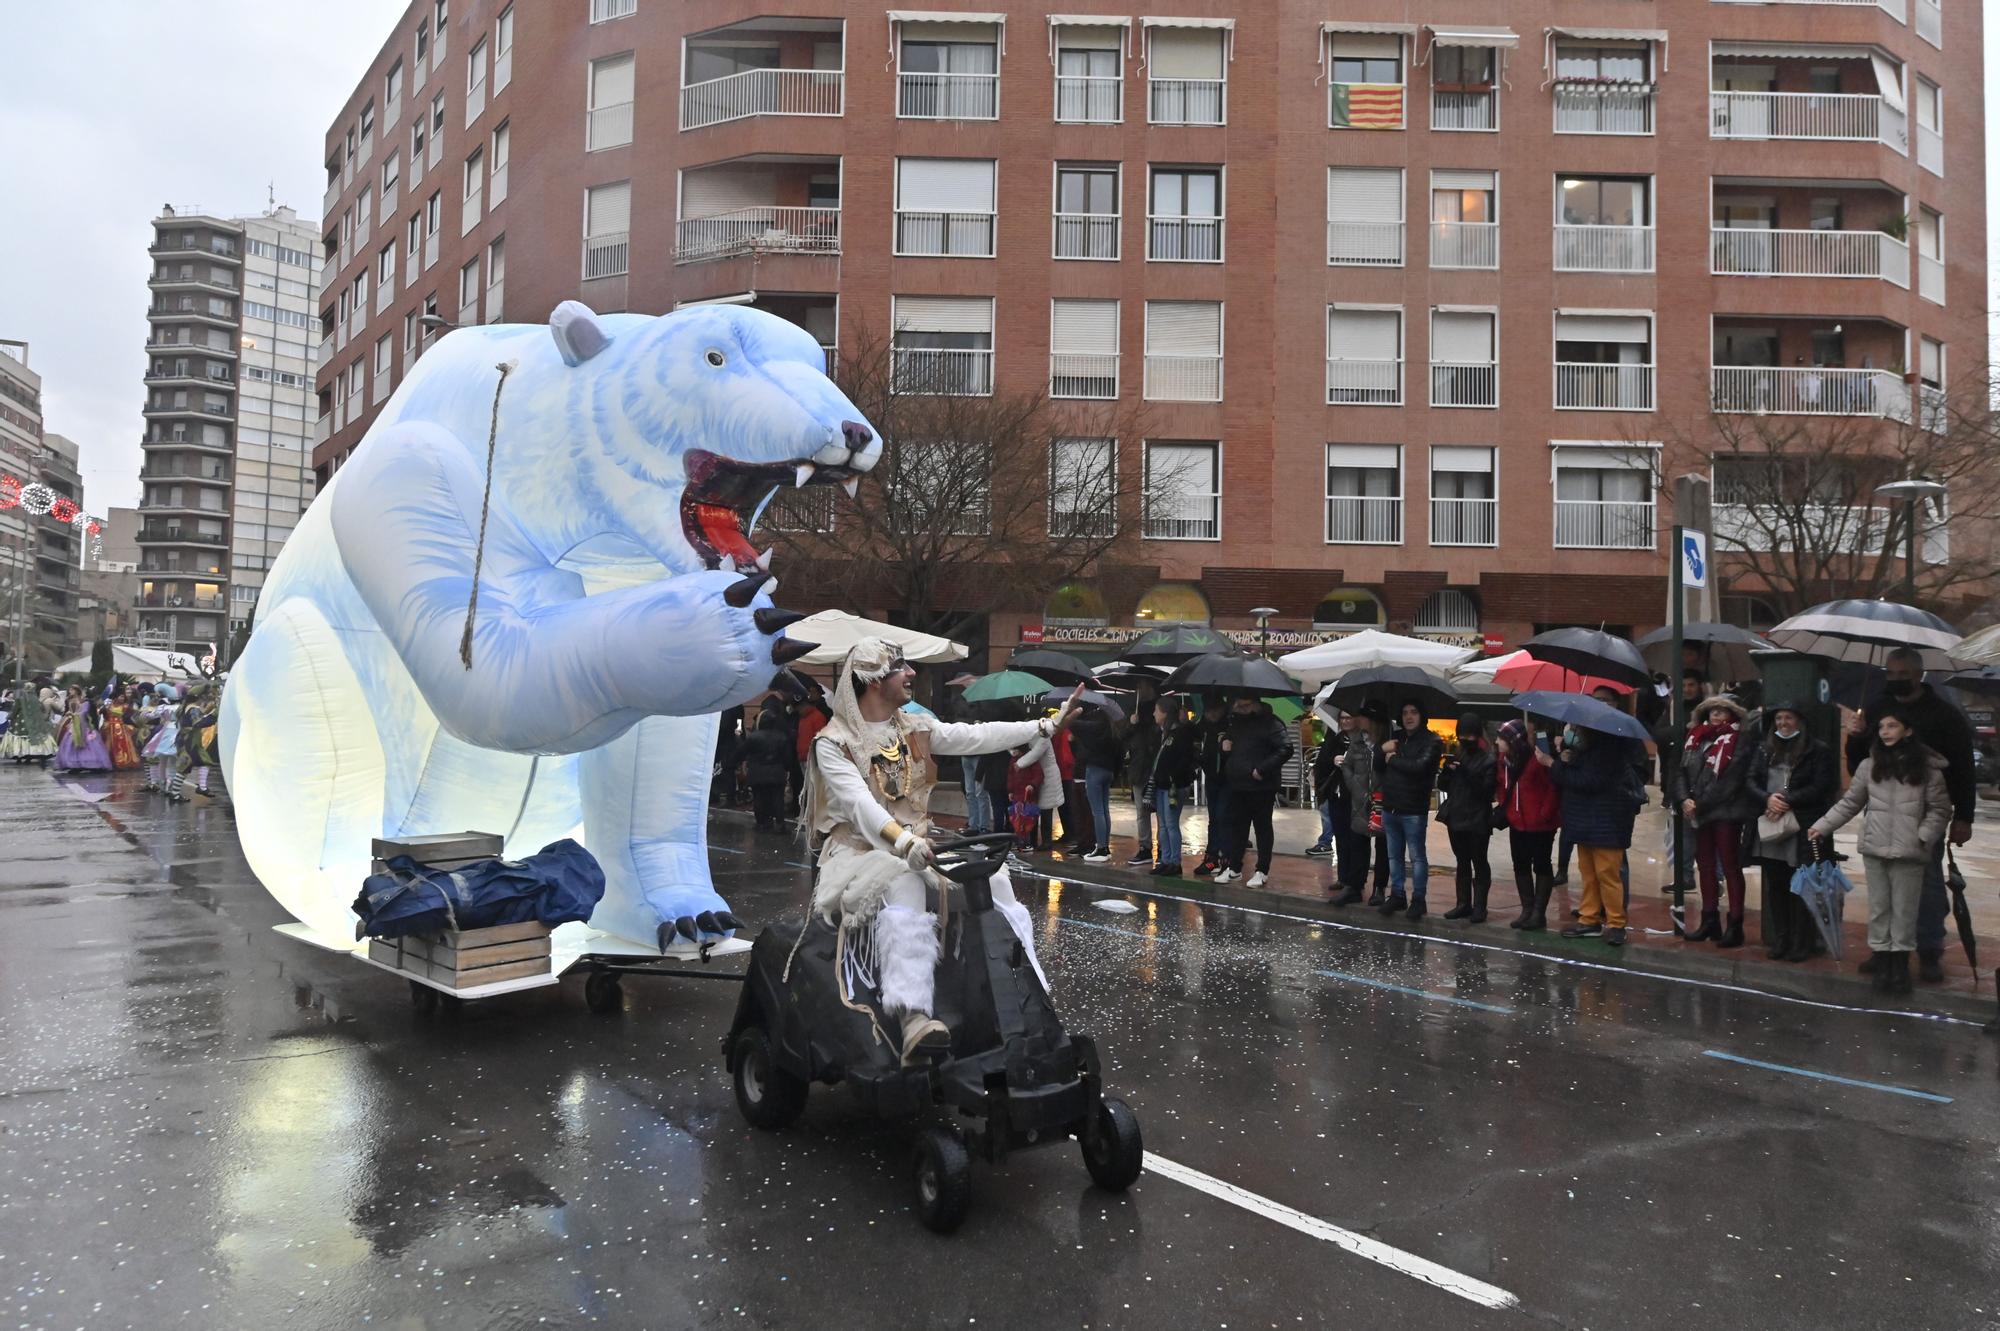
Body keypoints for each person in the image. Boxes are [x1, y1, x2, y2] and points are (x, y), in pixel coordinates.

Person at [803, 638, 1082, 1063]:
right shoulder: (833, 743)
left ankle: (1028, 995)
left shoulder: (914, 728)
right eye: (901, 668)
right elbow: (860, 807)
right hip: (858, 854)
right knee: (904, 880)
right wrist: (903, 841)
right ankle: (914, 1016)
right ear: (874, 681)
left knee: (995, 877)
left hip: (917, 844)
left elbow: (974, 736)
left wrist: (1041, 728)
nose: (912, 673)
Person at [1843, 646, 1977, 984]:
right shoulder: (1876, 708)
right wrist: (1855, 737)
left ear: (1919, 675)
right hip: (1883, 814)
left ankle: (1930, 951)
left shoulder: (1944, 714)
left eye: (1903, 675)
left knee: (1927, 885)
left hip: (1923, 813)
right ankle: (1885, 950)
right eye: (1891, 674)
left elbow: (1962, 768)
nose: (1896, 680)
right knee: (1884, 890)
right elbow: (1859, 763)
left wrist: (1964, 816)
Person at [1810, 714, 1953, 995]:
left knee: (1904, 910)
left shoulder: (1927, 769)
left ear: (1908, 730)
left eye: (1893, 726)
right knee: (1879, 909)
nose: (1885, 731)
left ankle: (1899, 966)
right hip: (1876, 848)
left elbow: (1940, 809)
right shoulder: (1869, 765)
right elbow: (1851, 802)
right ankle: (1883, 962)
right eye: (1882, 726)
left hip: (1910, 851)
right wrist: (1822, 826)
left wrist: (1923, 835)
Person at [1742, 701, 1837, 963]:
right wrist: (1767, 799)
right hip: (1771, 824)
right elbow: (1750, 780)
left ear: (1800, 722)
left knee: (1801, 886)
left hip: (1801, 826)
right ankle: (1781, 937)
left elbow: (1822, 786)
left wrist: (1787, 799)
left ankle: (1801, 941)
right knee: (1776, 884)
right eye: (1780, 719)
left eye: (1789, 718)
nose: (1784, 723)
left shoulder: (1818, 750)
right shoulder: (1764, 749)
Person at [1544, 722, 1643, 946]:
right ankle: (1590, 919)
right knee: (1588, 873)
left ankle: (1616, 923)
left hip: (1607, 822)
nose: (1573, 733)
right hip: (1587, 820)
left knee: (1607, 875)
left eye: (1577, 729)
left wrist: (1553, 764)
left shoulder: (1608, 751)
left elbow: (1587, 781)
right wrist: (1567, 759)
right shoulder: (1588, 751)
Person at [1673, 696, 1757, 948]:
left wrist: (1700, 803)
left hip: (1725, 812)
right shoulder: (1695, 737)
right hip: (1697, 810)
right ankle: (1709, 920)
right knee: (1705, 865)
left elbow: (1732, 779)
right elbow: (1681, 771)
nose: (1716, 715)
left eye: (1722, 711)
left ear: (1733, 715)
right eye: (1713, 711)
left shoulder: (1739, 740)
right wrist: (1684, 798)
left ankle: (1735, 924)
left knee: (1730, 866)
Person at [1210, 698, 1292, 888]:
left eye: (1244, 705)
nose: (1239, 709)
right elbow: (1226, 745)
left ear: (1255, 704)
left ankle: (1262, 870)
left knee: (1262, 828)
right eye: (1237, 705)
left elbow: (1286, 748)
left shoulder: (1271, 723)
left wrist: (1262, 770)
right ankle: (1234, 867)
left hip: (1261, 785)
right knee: (1238, 828)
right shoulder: (1236, 722)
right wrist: (1223, 745)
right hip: (1238, 783)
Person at [1375, 699, 1443, 919]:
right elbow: (1377, 763)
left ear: (1422, 715)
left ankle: (1419, 899)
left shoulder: (1432, 741)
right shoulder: (1397, 739)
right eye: (1405, 713)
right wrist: (1380, 750)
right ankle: (1397, 895)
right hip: (1391, 805)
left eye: (1414, 712)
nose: (1409, 717)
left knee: (1416, 856)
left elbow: (1420, 768)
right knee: (1393, 856)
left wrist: (1392, 760)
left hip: (1413, 808)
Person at [1496, 716, 1561, 930]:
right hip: (1517, 822)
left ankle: (1538, 913)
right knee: (1520, 864)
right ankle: (1527, 909)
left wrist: (1545, 813)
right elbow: (1503, 787)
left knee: (1541, 864)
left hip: (1540, 823)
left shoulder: (1537, 759)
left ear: (1513, 740)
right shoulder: (1504, 761)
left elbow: (1552, 787)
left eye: (1501, 738)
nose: (1497, 742)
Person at [1437, 713, 1498, 923]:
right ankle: (1463, 903)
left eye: (1469, 735)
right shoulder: (1458, 753)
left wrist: (1465, 773)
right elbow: (1444, 786)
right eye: (1462, 735)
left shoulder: (1488, 759)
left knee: (1479, 861)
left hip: (1478, 817)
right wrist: (1446, 772)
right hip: (1457, 814)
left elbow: (1486, 792)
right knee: (1462, 861)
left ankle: (1480, 906)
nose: (1465, 739)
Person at [1327, 710, 1380, 906]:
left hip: (1380, 798)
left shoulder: (1384, 740)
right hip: (1358, 798)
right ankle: (1353, 885)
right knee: (1355, 839)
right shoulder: (1356, 740)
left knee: (1382, 846)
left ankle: (1379, 888)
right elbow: (1347, 766)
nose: (1352, 720)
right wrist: (1355, 785)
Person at [1143, 697, 1199, 876]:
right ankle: (1165, 860)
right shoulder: (1163, 733)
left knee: (1170, 823)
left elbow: (1184, 759)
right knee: (1164, 826)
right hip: (1161, 785)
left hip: (1173, 786)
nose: (1153, 713)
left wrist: (1172, 775)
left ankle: (1175, 862)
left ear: (1165, 713)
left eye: (1156, 710)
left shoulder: (1180, 733)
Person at [1069, 701, 1123, 864]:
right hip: (1108, 771)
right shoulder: (1114, 732)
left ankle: (1101, 848)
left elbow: (1076, 726)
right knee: (1104, 810)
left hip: (1094, 770)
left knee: (1097, 811)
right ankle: (1104, 846)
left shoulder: (1095, 729)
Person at [1193, 699, 1233, 876]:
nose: (1209, 714)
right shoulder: (1204, 727)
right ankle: (1212, 857)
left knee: (1223, 817)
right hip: (1211, 777)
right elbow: (1197, 744)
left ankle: (1227, 857)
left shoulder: (1230, 726)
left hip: (1227, 779)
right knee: (1213, 819)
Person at [740, 708, 794, 831]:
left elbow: (743, 752)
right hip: (776, 772)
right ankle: (780, 824)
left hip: (757, 772)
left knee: (759, 798)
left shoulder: (753, 737)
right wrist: (786, 768)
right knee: (777, 798)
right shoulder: (782, 737)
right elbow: (787, 757)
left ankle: (762, 823)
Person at [1123, 700, 1161, 867]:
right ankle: (1146, 847)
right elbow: (1122, 739)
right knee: (1142, 813)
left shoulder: (1158, 726)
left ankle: (1160, 848)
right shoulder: (1134, 720)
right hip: (1139, 771)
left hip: (1154, 771)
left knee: (1161, 814)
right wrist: (1132, 725)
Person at [1305, 714, 1341, 859]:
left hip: (1331, 779)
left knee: (1327, 812)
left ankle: (1325, 842)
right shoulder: (1333, 731)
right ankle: (1325, 841)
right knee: (1326, 811)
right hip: (1325, 777)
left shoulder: (1338, 734)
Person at [55, 687, 113, 772]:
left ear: (77, 691)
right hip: (74, 724)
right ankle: (75, 764)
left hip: (84, 725)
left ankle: (90, 764)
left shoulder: (86, 702)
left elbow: (84, 714)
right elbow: (68, 710)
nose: (70, 692)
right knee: (72, 743)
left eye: (72, 690)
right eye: (70, 690)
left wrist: (73, 714)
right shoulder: (69, 700)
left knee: (88, 743)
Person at [0, 684, 56, 765]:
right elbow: (41, 709)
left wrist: (10, 717)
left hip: (20, 723)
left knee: (20, 738)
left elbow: (14, 710)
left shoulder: (20, 699)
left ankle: (19, 757)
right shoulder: (36, 700)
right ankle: (29, 757)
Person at [102, 686, 142, 770]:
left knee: (121, 744)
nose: (123, 698)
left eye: (123, 697)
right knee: (110, 744)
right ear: (116, 697)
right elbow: (102, 713)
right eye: (121, 696)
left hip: (120, 727)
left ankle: (122, 761)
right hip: (110, 727)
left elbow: (135, 713)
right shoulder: (109, 704)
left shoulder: (125, 706)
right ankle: (110, 762)